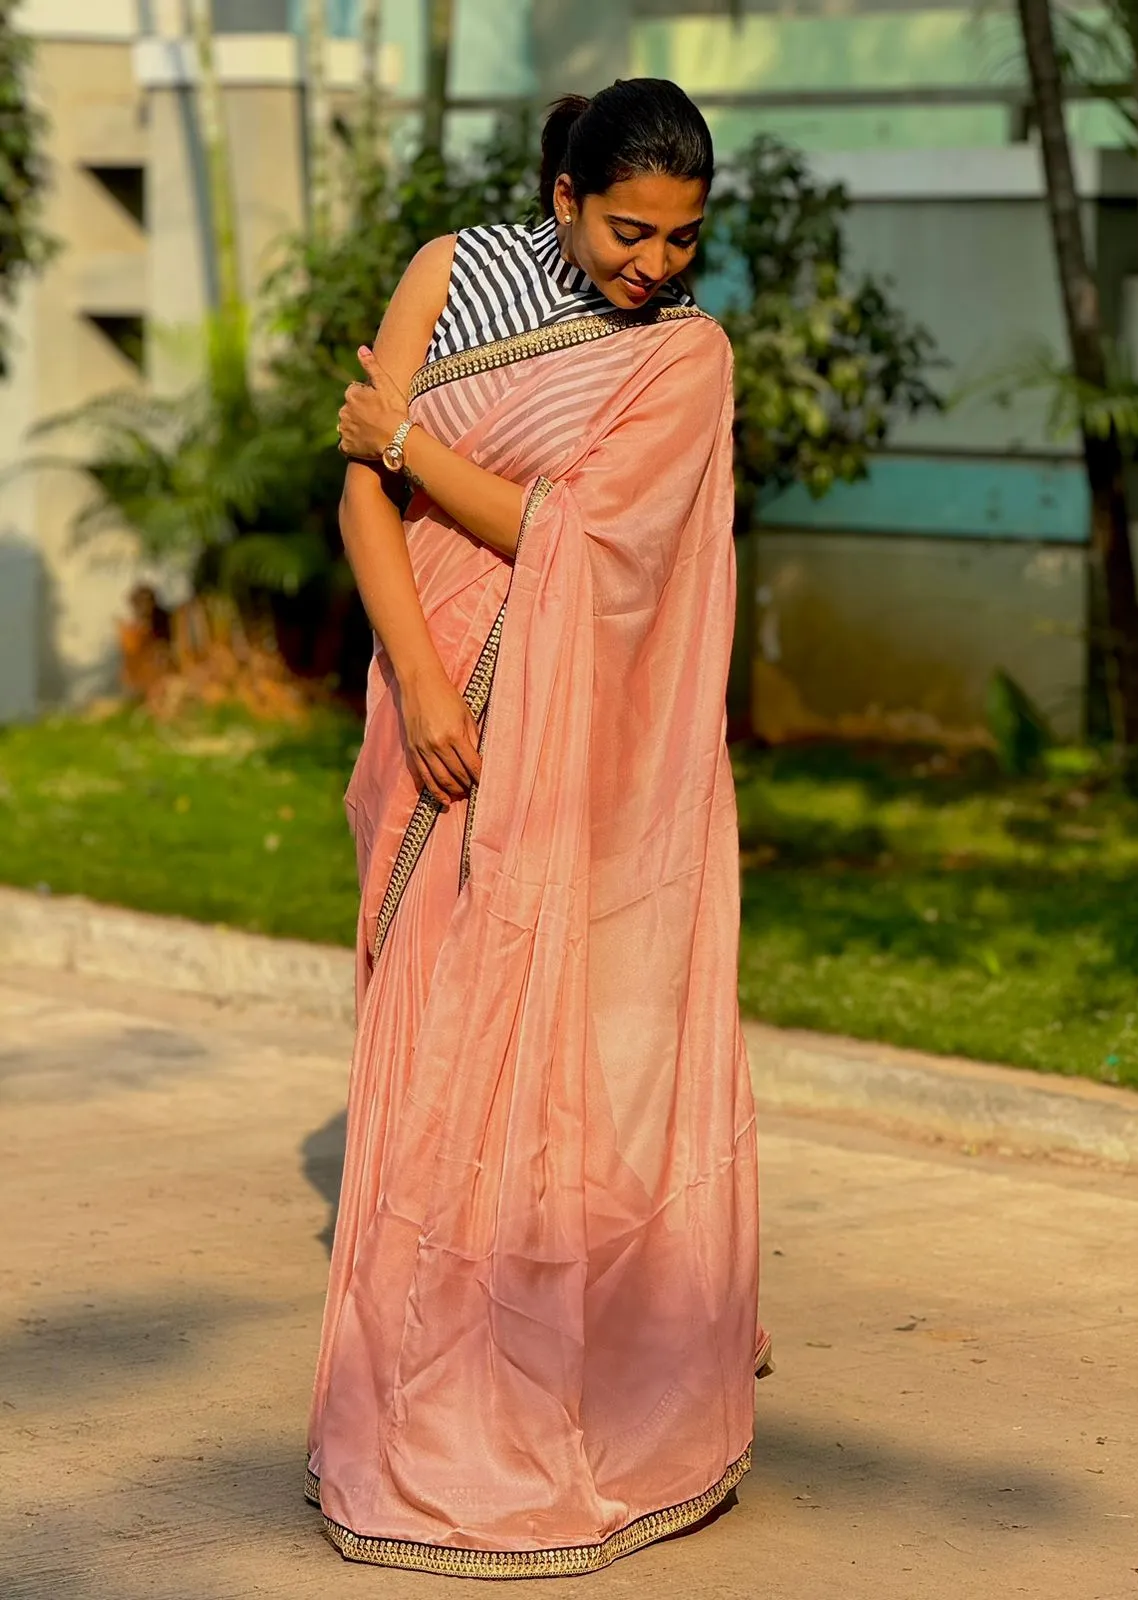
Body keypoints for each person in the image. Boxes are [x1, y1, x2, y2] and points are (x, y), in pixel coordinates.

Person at [305, 78, 767, 1578]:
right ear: (564, 194)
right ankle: (437, 1350)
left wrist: (411, 443)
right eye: (631, 229)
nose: (656, 264)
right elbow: (359, 494)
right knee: (436, 1029)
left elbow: (589, 540)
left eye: (684, 238)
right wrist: (428, 688)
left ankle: (564, 1358)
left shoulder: (684, 359)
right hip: (431, 707)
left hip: (573, 746)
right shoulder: (453, 270)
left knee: (557, 1037)